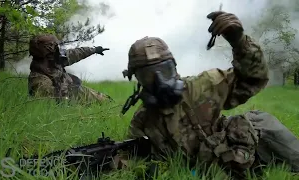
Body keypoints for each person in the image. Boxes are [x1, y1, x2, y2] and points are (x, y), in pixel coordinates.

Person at [120, 11, 299, 178]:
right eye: (149, 76)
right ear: (137, 80)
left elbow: (253, 78)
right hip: (207, 171)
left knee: (260, 121)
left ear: (175, 68)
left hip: (239, 153)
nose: (159, 82)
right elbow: (130, 161)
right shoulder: (143, 122)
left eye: (164, 71)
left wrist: (239, 42)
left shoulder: (203, 86)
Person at [28, 34, 113, 104]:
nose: (59, 51)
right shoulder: (38, 79)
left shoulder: (55, 61)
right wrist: (73, 89)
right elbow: (52, 100)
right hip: (71, 98)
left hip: (74, 91)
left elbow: (76, 53)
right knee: (98, 101)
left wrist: (95, 50)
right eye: (55, 47)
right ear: (48, 53)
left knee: (105, 100)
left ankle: (107, 102)